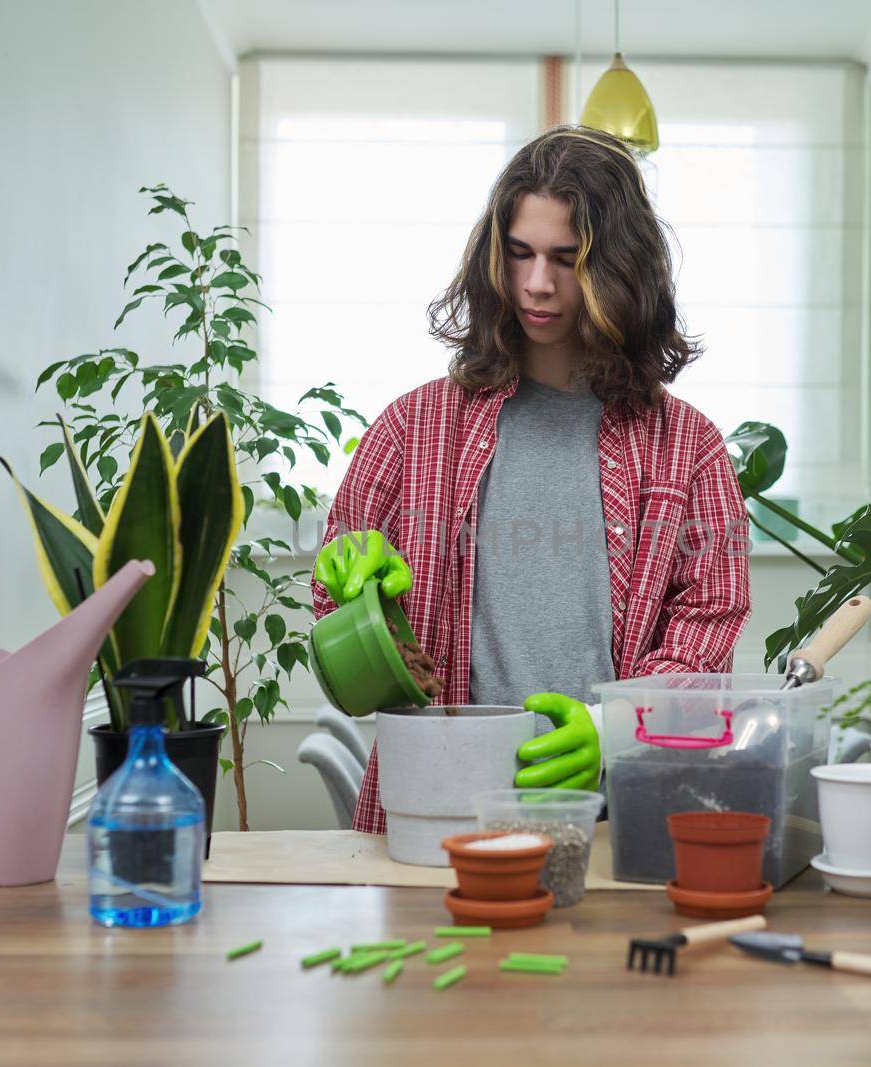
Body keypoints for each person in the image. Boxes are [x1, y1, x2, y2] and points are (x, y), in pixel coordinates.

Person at [312, 125, 751, 834]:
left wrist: (609, 731)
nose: (536, 283)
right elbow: (341, 641)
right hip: (436, 812)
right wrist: (356, 596)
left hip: (613, 815)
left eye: (566, 260)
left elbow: (705, 644)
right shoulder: (412, 428)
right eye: (518, 254)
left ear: (621, 270)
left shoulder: (689, 449)